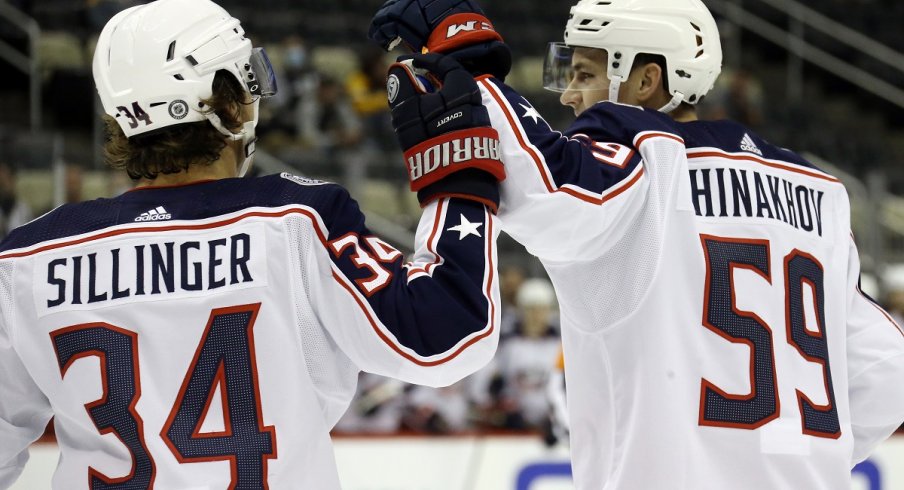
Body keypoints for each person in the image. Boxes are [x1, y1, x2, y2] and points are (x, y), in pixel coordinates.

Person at [369, 0, 904, 488]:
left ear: (647, 80)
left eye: (583, 72)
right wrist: (796, 457)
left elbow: (544, 183)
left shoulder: (650, 158)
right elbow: (888, 373)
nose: (571, 92)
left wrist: (469, 69)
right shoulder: (822, 193)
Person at [0, 0, 505, 488]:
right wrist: (459, 170)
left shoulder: (26, 260)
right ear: (226, 103)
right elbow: (448, 338)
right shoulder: (297, 220)